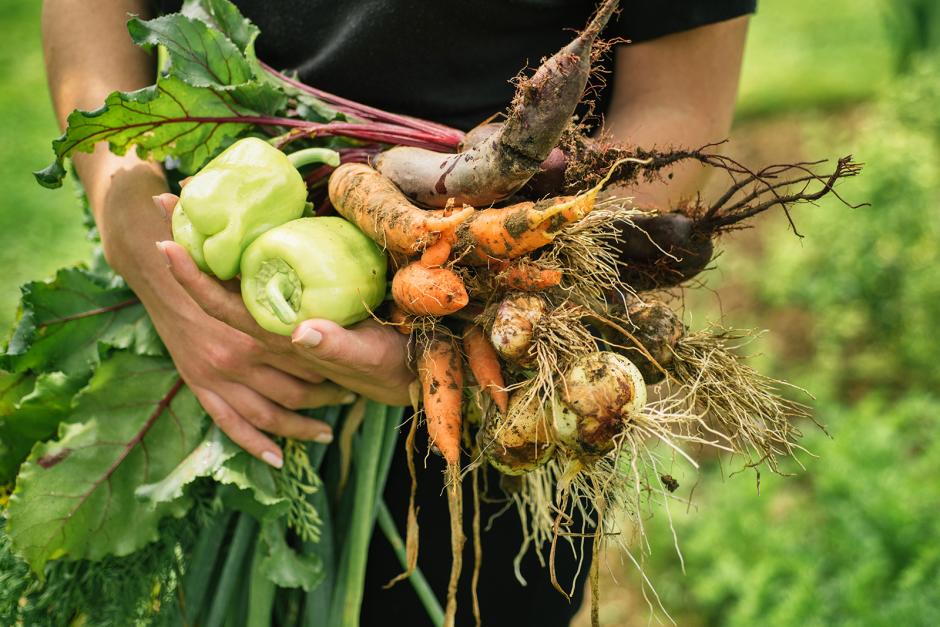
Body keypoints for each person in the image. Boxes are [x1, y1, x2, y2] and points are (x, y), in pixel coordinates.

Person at [41, 1, 752, 624]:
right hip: (201, 334)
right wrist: (126, 211)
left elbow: (678, 103)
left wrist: (477, 301)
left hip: (504, 380)